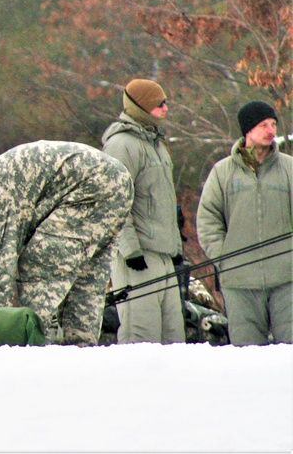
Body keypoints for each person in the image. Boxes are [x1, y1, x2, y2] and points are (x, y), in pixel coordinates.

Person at [0, 141, 133, 345]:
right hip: (117, 181)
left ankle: (34, 345)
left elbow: (0, 268)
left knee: (39, 262)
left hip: (90, 183)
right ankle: (81, 347)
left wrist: (1, 332)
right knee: (88, 276)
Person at [197, 101, 292, 346]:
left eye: (273, 124)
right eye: (263, 125)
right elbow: (208, 221)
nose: (271, 130)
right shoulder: (222, 172)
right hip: (239, 283)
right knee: (246, 355)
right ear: (247, 130)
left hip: (286, 281)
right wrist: (224, 260)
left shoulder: (290, 169)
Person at [102, 79, 185, 344]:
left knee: (174, 339)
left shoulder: (157, 145)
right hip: (138, 260)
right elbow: (113, 203)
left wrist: (176, 249)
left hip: (164, 257)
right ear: (142, 107)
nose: (166, 109)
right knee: (141, 339)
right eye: (160, 104)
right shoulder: (121, 145)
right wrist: (130, 251)